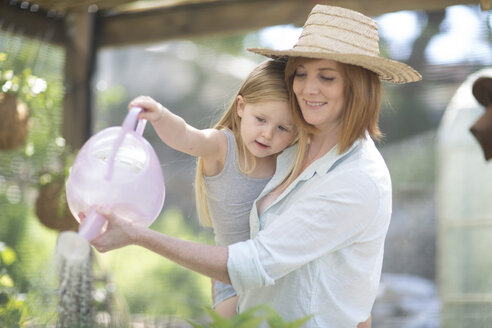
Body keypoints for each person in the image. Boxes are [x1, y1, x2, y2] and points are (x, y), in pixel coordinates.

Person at [90, 4, 421, 327]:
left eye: (327, 76)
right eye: (301, 73)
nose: (308, 88)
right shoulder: (289, 149)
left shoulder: (357, 178)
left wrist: (138, 235)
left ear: (358, 87)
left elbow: (252, 265)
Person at [126, 59, 301, 317]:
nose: (267, 134)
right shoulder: (222, 146)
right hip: (229, 277)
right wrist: (160, 115)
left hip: (271, 275)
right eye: (261, 119)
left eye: (282, 128)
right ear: (241, 107)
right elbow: (186, 136)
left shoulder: (287, 159)